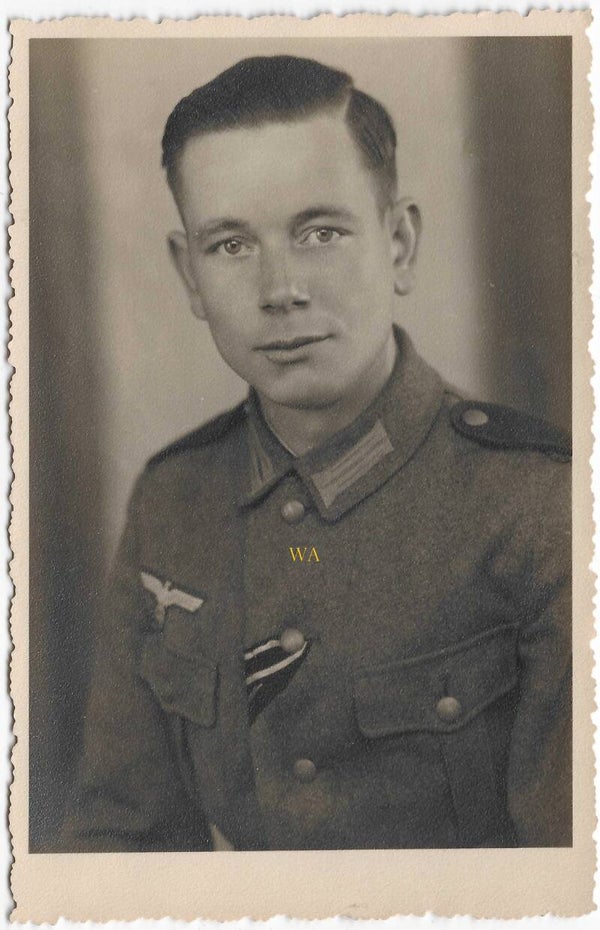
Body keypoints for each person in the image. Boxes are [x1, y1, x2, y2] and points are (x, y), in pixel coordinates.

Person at [63, 55, 571, 851]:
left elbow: (572, 886)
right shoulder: (175, 500)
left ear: (398, 242)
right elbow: (116, 849)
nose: (280, 288)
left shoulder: (540, 507)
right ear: (188, 274)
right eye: (230, 245)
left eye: (320, 232)